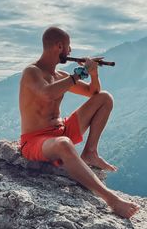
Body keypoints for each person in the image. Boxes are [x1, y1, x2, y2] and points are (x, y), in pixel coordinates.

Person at [18, 26, 139, 218]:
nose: (70, 51)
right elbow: (47, 94)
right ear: (59, 46)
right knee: (64, 144)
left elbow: (93, 93)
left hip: (60, 131)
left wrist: (93, 73)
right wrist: (78, 74)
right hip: (35, 140)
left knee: (105, 98)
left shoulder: (61, 76)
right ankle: (112, 200)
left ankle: (90, 152)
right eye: (68, 46)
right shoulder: (32, 72)